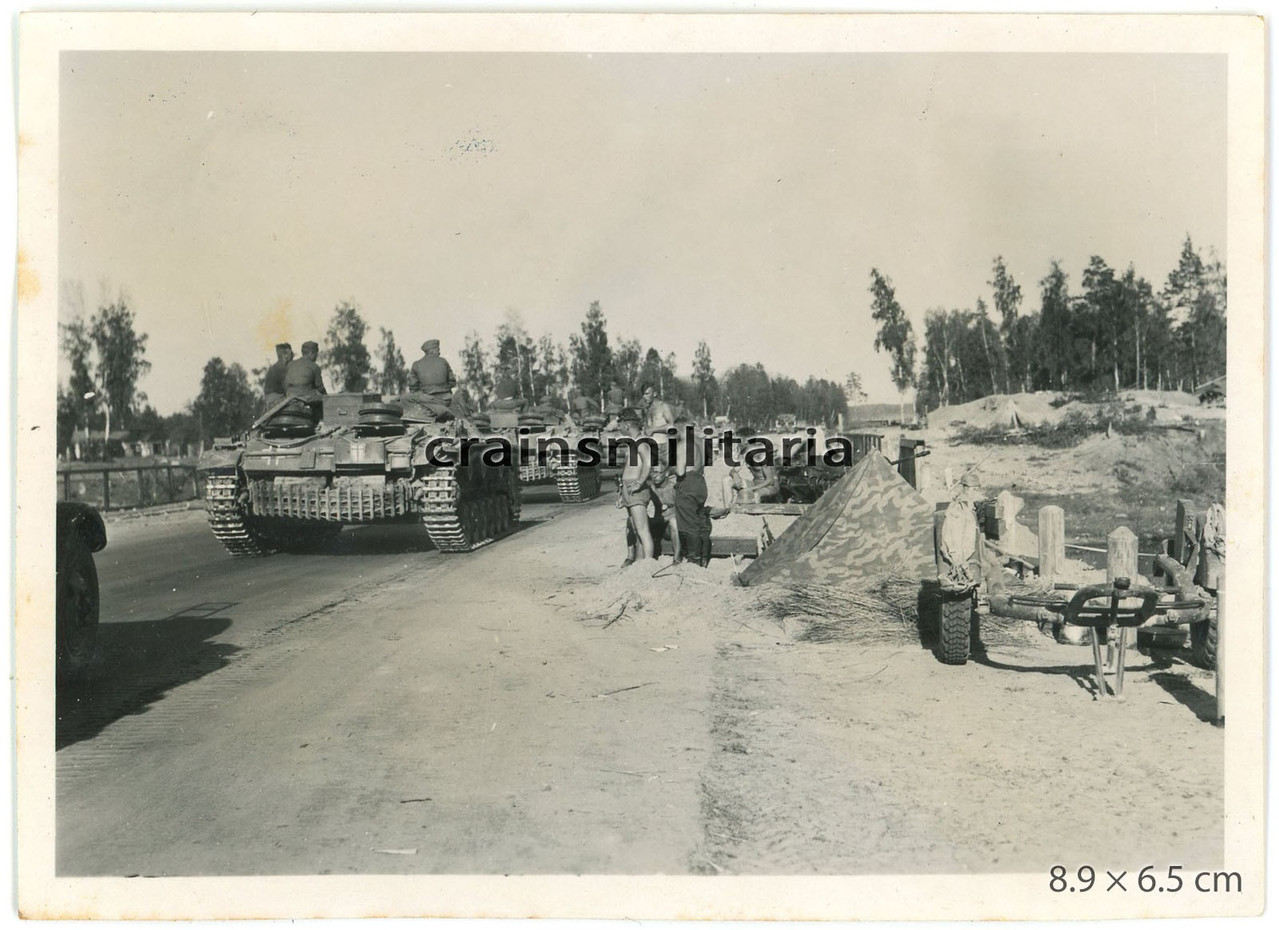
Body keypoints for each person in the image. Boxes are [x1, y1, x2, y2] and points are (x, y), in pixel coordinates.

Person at [616, 408, 654, 566]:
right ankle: (639, 563)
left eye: (619, 423)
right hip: (629, 489)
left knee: (643, 530)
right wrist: (621, 494)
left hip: (636, 490)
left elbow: (648, 463)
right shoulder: (633, 442)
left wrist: (639, 482)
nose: (618, 427)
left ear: (626, 424)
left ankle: (649, 566)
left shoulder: (641, 442)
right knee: (634, 528)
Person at [673, 414, 711, 566]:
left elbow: (680, 471)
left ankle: (693, 561)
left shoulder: (683, 445)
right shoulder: (701, 443)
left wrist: (671, 468)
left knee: (689, 525)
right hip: (700, 482)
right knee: (700, 520)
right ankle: (704, 558)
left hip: (687, 483)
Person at [647, 462, 681, 562]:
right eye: (652, 472)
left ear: (666, 473)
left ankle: (677, 557)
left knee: (674, 521)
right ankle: (633, 557)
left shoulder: (673, 487)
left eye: (657, 472)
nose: (654, 476)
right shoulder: (651, 488)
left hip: (671, 525)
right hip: (659, 522)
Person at [406, 339, 457, 403]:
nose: (439, 352)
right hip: (446, 397)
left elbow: (413, 387)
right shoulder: (443, 361)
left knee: (404, 398)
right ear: (432, 350)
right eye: (438, 350)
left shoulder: (416, 364)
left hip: (426, 398)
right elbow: (452, 382)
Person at [261, 343, 293, 411]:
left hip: (269, 402)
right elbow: (288, 391)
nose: (292, 357)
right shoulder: (282, 369)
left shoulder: (274, 367)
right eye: (291, 354)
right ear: (286, 355)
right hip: (277, 401)